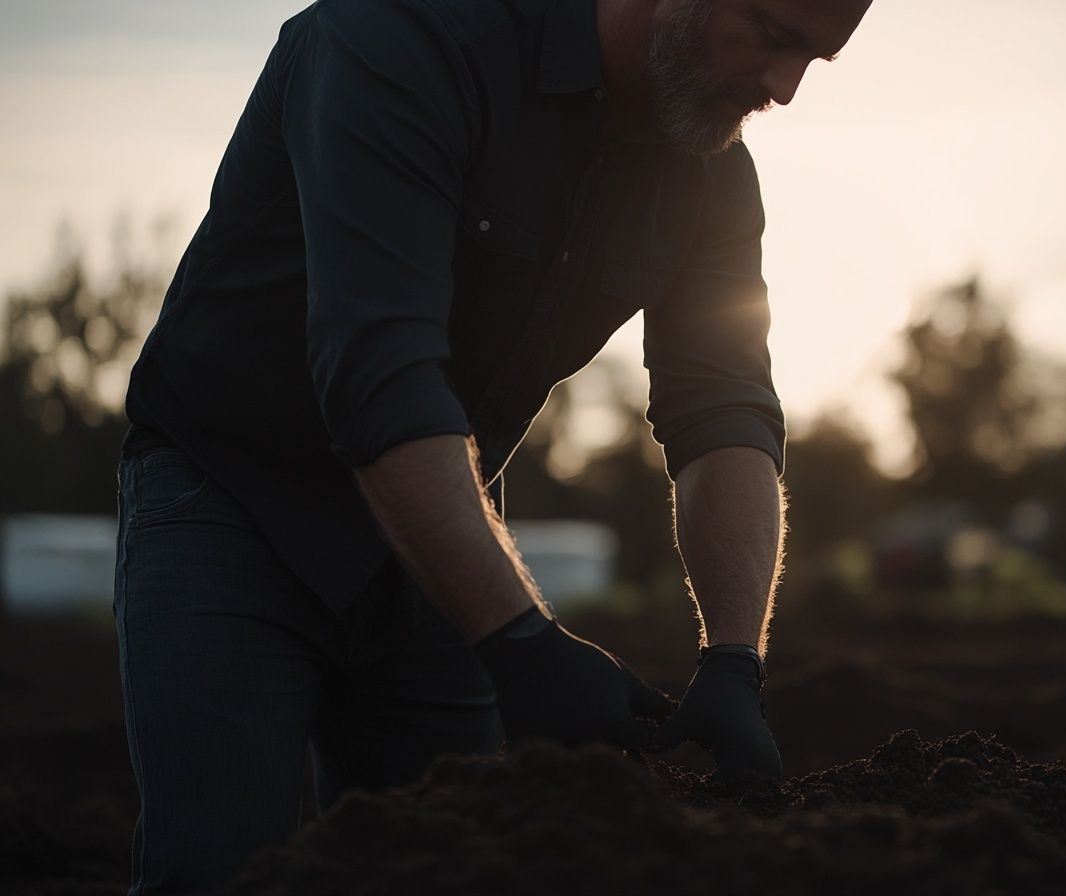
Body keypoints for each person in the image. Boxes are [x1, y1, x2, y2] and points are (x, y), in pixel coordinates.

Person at [112, 0, 872, 892]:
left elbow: (724, 416)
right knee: (220, 870)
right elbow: (379, 381)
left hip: (439, 524)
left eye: (815, 61)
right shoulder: (397, 43)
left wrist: (736, 658)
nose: (784, 89)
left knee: (445, 865)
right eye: (777, 38)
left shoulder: (710, 176)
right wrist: (519, 642)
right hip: (233, 503)